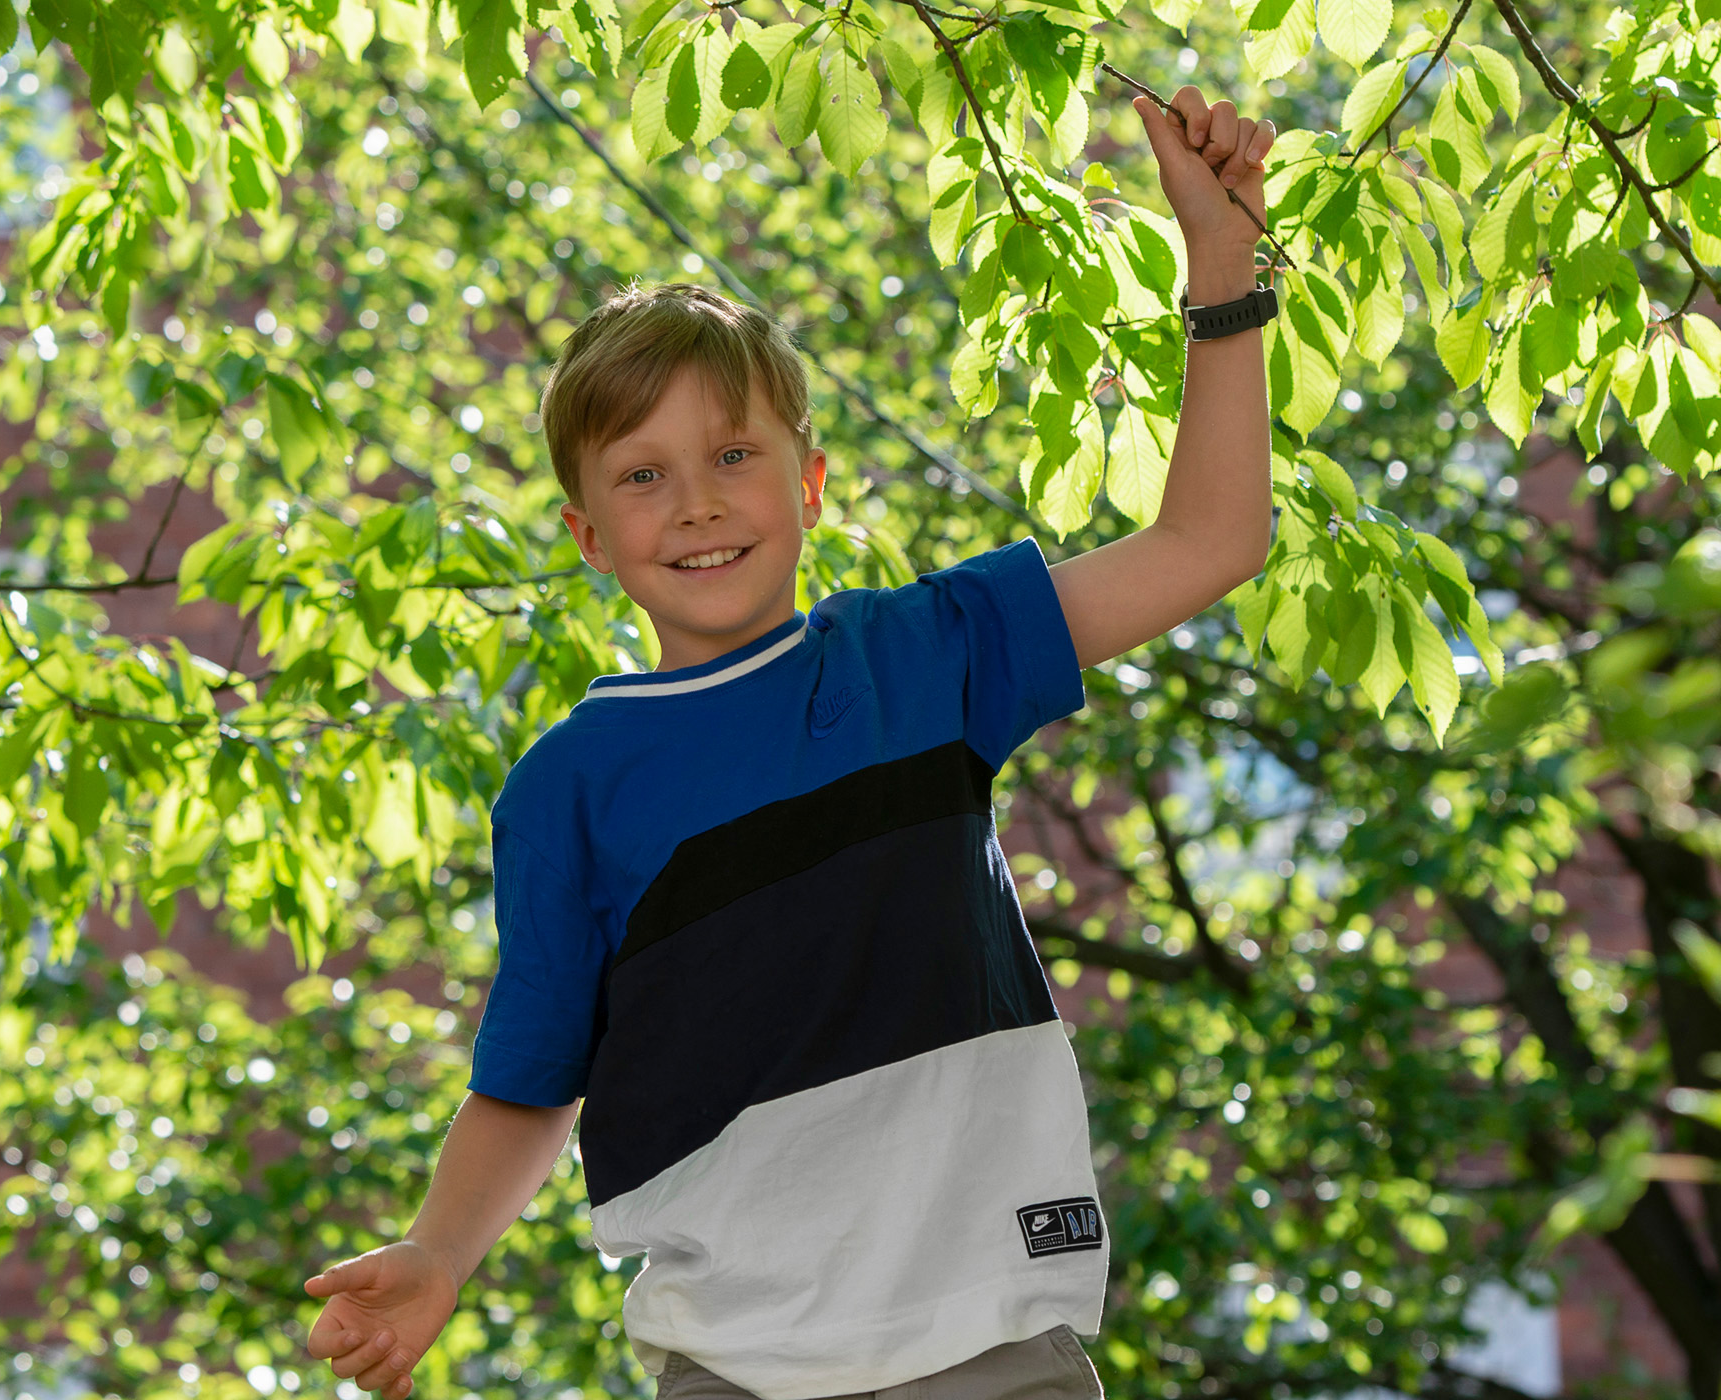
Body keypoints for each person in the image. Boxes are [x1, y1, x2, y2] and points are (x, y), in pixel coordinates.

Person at [303, 81, 1280, 1400]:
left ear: (808, 485)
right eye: (642, 475)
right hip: (734, 1369)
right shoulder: (571, 791)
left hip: (995, 1348)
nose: (695, 503)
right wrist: (437, 1253)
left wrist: (1224, 272)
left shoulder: (924, 657)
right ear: (589, 536)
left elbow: (1210, 543)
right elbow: (531, 1080)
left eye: (733, 456)